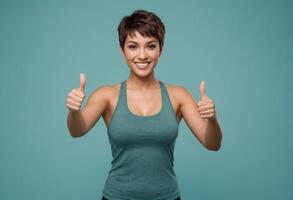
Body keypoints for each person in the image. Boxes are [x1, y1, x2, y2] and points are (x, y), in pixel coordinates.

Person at [66, 9, 222, 200]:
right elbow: (77, 130)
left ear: (160, 49)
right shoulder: (107, 95)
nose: (142, 55)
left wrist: (212, 120)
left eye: (150, 46)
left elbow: (212, 144)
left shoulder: (178, 96)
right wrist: (74, 112)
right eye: (133, 46)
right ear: (122, 50)